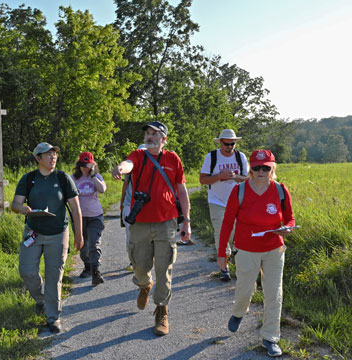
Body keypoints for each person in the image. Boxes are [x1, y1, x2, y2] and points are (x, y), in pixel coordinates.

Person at [112, 121, 191, 336]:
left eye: (155, 134)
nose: (150, 137)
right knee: (139, 264)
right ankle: (145, 284)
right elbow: (128, 163)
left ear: (164, 139)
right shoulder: (138, 155)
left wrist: (187, 221)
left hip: (167, 222)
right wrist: (120, 168)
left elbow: (182, 191)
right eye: (148, 133)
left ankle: (161, 311)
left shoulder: (172, 158)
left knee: (164, 268)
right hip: (140, 221)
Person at [217, 149, 295, 357]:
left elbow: (290, 218)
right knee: (244, 290)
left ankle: (270, 337)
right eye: (257, 167)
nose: (261, 171)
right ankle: (239, 312)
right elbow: (226, 223)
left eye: (266, 167)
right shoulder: (239, 191)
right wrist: (221, 254)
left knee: (274, 293)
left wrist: (287, 227)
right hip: (246, 250)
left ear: (272, 169)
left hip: (274, 250)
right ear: (251, 169)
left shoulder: (280, 190)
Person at [12, 142, 83, 334]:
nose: (53, 157)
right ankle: (42, 299)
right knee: (26, 270)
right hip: (33, 232)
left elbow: (76, 208)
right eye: (48, 154)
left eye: (54, 154)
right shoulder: (28, 179)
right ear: (38, 158)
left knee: (54, 276)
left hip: (58, 233)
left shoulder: (62, 178)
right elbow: (15, 204)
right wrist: (22, 209)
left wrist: (79, 234)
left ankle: (53, 318)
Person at [199, 129, 249, 281]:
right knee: (221, 232)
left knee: (233, 232)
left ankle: (231, 255)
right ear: (220, 142)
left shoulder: (241, 157)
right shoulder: (211, 157)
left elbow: (247, 179)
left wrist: (236, 177)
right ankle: (224, 267)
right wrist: (219, 176)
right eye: (226, 144)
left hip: (237, 201)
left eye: (232, 144)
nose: (229, 147)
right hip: (217, 201)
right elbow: (202, 180)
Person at [72, 151, 107, 285]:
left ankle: (96, 271)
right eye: (83, 165)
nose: (85, 168)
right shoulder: (73, 178)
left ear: (93, 165)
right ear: (79, 165)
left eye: (88, 165)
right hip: (79, 217)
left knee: (94, 243)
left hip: (95, 216)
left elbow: (102, 189)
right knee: (83, 245)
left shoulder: (96, 176)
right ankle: (87, 266)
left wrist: (92, 176)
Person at [119, 144, 147, 272]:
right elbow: (125, 186)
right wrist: (122, 202)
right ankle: (133, 260)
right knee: (130, 234)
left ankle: (143, 259)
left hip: (146, 206)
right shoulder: (131, 169)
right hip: (130, 205)